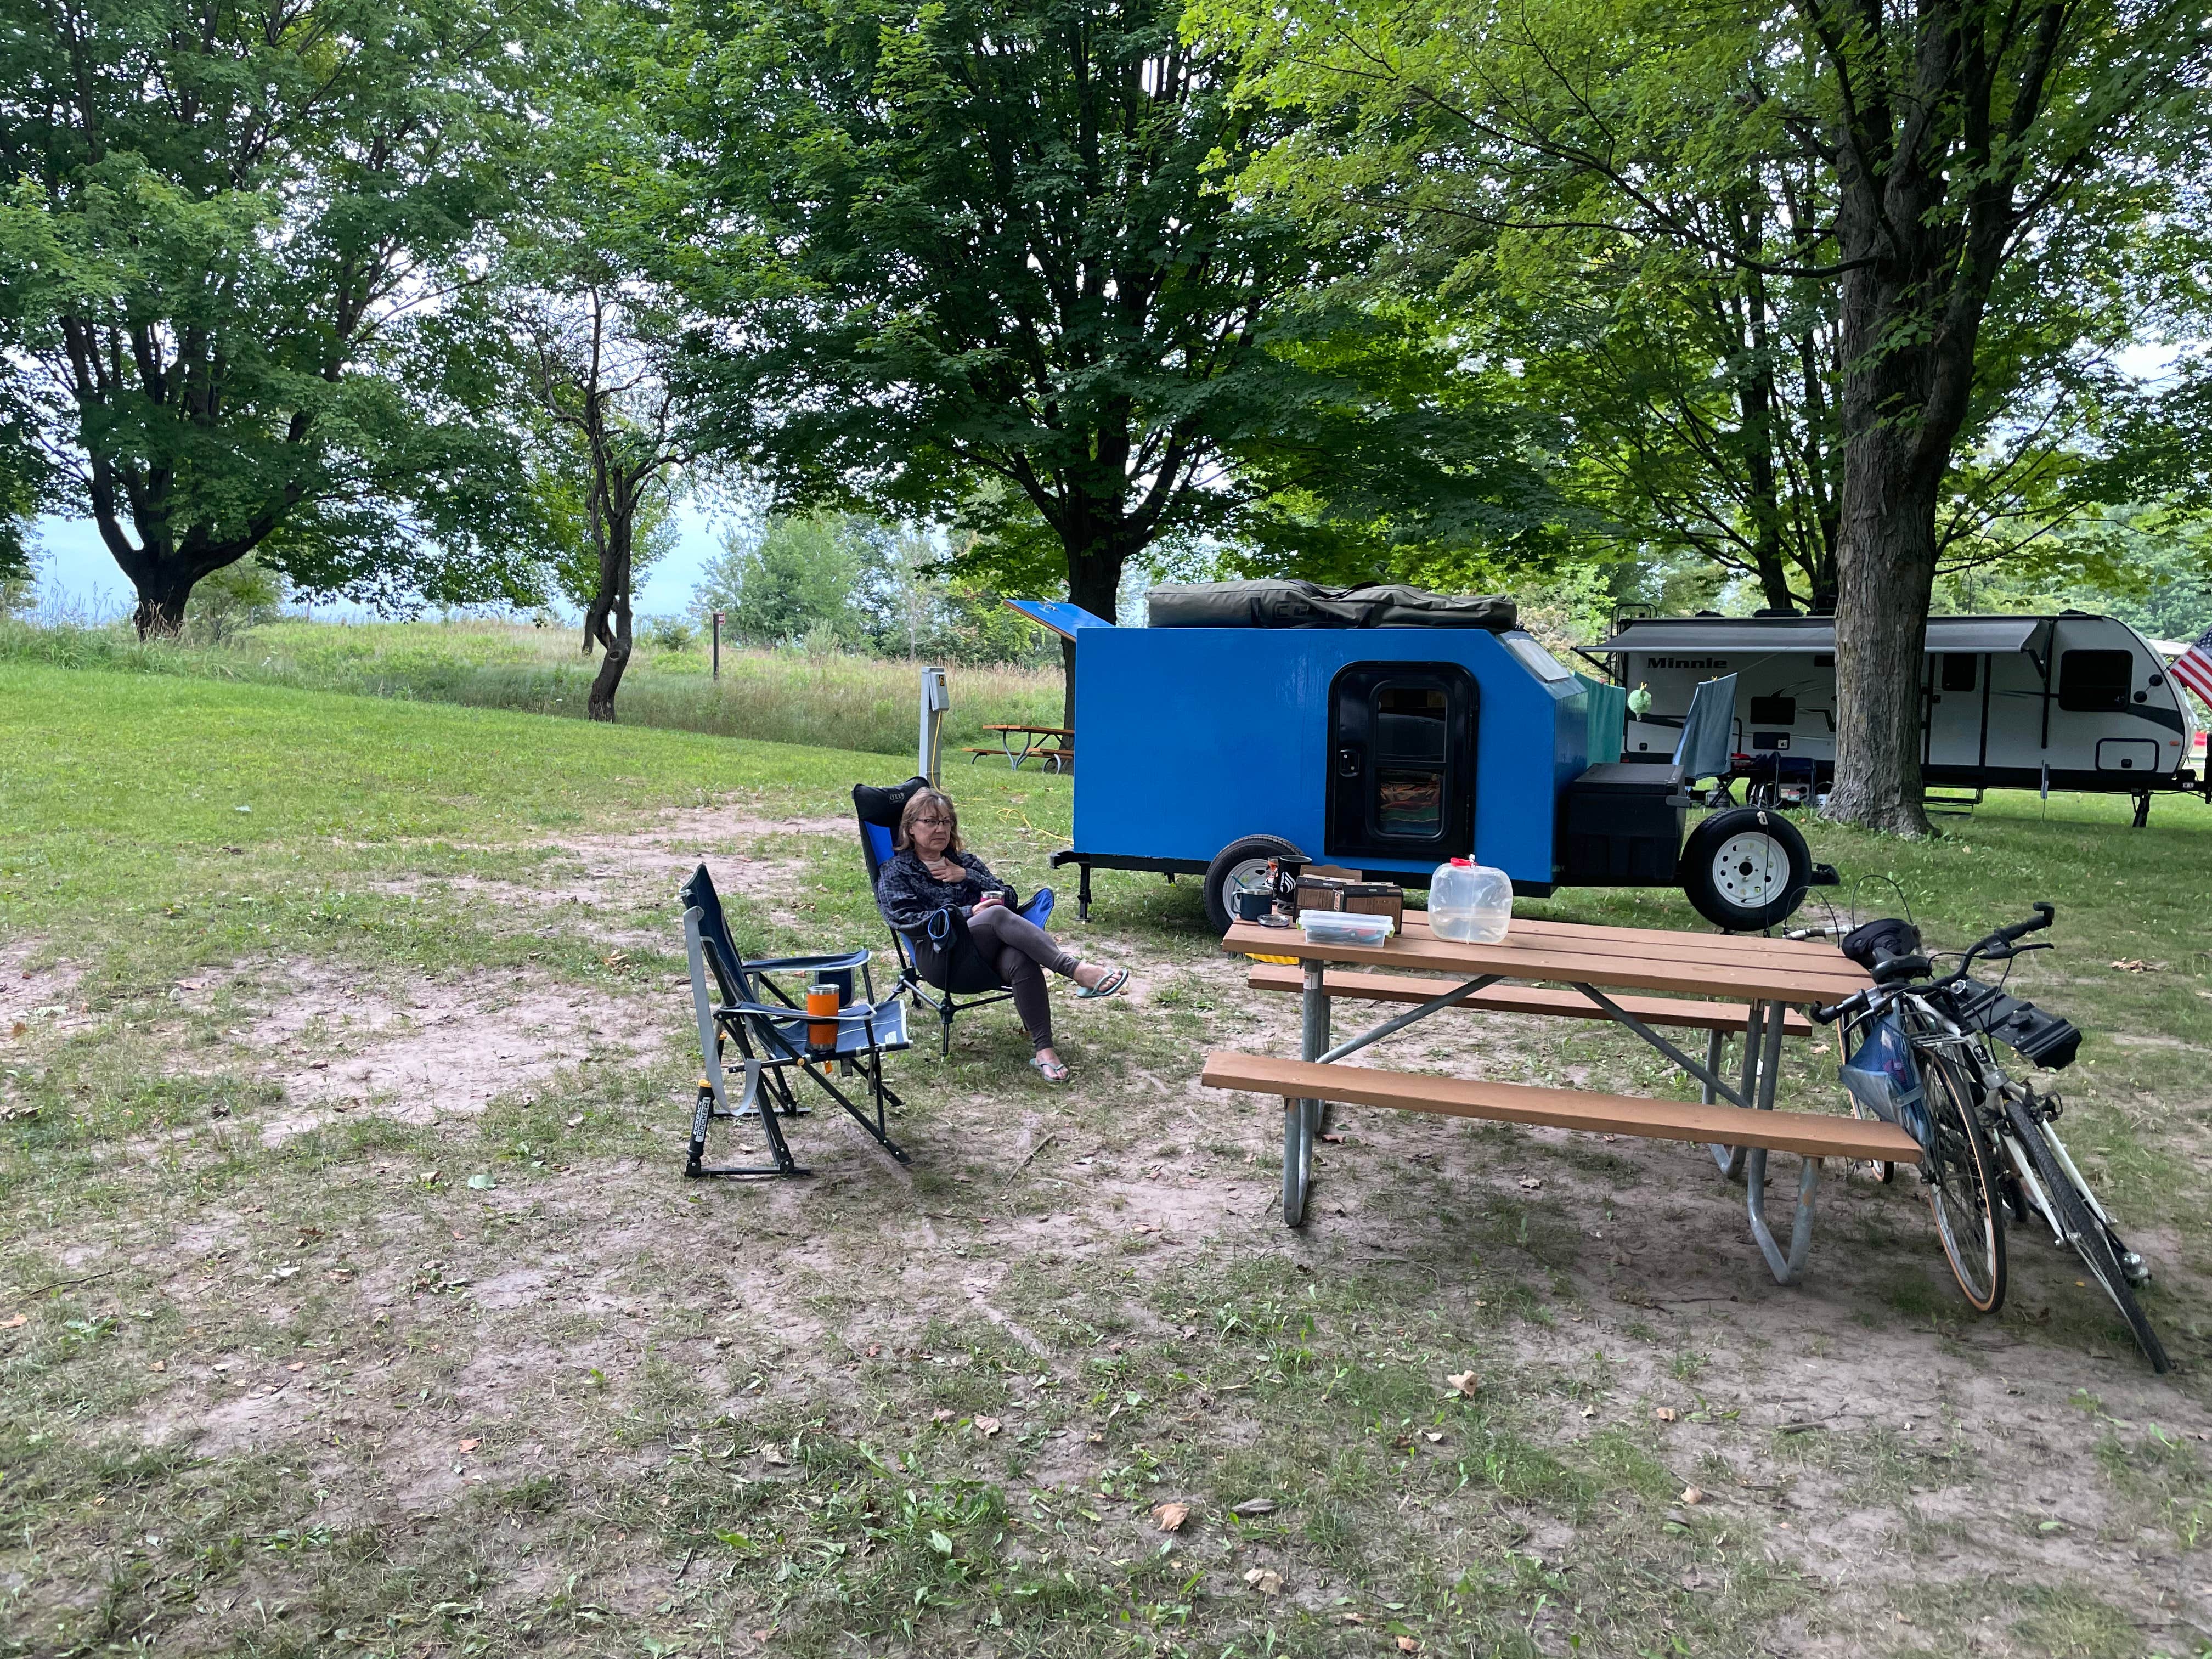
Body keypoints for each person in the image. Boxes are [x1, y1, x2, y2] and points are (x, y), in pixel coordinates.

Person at [873, 787, 1126, 1082]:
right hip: (941, 958)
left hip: (984, 958)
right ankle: (1076, 971)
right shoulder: (896, 871)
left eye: (946, 822)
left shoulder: (965, 863)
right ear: (910, 828)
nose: (940, 829)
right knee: (993, 914)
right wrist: (969, 912)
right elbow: (905, 919)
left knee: (1019, 955)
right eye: (930, 822)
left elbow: (1010, 898)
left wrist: (967, 876)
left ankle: (1044, 1051)